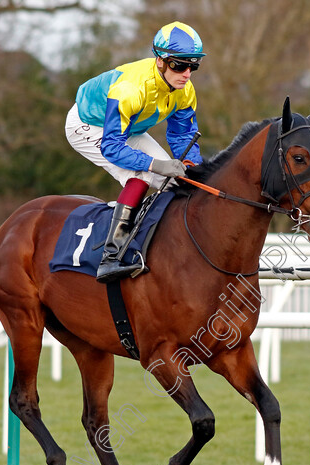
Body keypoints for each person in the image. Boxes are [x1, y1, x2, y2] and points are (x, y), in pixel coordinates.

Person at [65, 21, 205, 283]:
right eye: (180, 65)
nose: (187, 73)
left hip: (130, 128)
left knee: (180, 180)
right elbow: (112, 146)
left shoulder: (184, 90)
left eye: (193, 65)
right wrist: (155, 164)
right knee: (140, 175)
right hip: (88, 125)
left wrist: (190, 164)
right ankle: (111, 257)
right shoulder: (131, 88)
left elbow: (182, 134)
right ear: (160, 61)